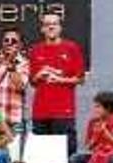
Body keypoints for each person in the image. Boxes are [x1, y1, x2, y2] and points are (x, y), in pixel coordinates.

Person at [28, 12, 85, 155]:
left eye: (54, 24)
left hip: (63, 112)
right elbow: (32, 82)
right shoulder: (35, 50)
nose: (51, 27)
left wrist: (60, 79)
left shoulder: (71, 48)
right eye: (47, 25)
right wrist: (39, 75)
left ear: (60, 28)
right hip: (40, 113)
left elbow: (80, 79)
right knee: (42, 157)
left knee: (65, 156)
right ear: (42, 29)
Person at [0, 26, 30, 134]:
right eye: (6, 40)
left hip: (15, 120)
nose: (9, 43)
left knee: (15, 151)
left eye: (14, 41)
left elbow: (20, 86)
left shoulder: (25, 63)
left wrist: (12, 65)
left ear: (20, 45)